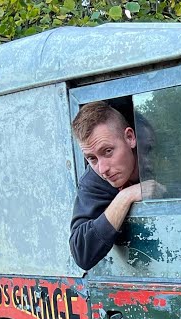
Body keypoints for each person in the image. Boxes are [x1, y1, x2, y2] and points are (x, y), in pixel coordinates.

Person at [68, 101, 160, 271]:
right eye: (92, 158)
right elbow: (81, 253)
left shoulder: (162, 158)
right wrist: (125, 197)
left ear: (130, 138)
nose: (103, 169)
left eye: (107, 151)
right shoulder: (93, 180)